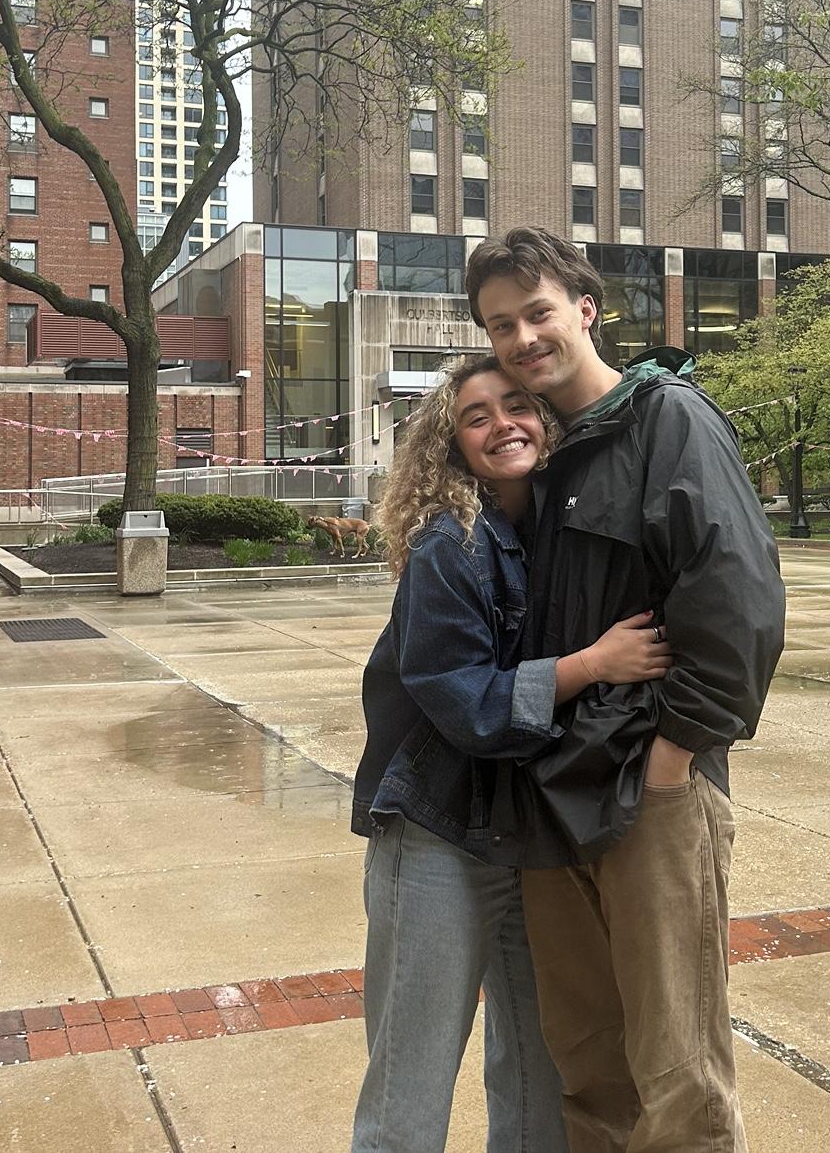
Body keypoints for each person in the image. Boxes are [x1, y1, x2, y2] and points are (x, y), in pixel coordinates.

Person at [466, 227, 787, 1153]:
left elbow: (739, 602)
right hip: (554, 793)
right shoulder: (547, 453)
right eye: (501, 325)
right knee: (587, 1057)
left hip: (649, 789)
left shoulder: (669, 420)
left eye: (538, 313)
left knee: (676, 1065)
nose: (523, 337)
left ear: (585, 309)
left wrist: (674, 760)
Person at [350, 354, 672, 1153]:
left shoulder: (555, 535)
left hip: (527, 833)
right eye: (477, 416)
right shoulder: (447, 546)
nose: (503, 425)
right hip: (435, 832)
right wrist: (592, 664)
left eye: (518, 405)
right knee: (411, 1079)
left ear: (547, 419)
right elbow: (463, 700)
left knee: (538, 1066)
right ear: (452, 445)